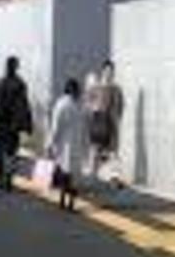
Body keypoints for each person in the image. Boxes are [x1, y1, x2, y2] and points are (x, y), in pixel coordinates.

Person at [0, 56, 33, 192]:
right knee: (12, 152)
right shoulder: (20, 84)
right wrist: (28, 124)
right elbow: (24, 105)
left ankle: (0, 168)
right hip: (12, 124)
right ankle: (8, 177)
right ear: (16, 67)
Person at [47, 78, 83, 211]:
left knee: (63, 171)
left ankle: (62, 199)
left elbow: (55, 126)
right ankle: (71, 202)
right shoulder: (78, 106)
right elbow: (82, 127)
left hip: (63, 144)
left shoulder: (61, 104)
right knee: (73, 174)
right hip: (76, 144)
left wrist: (50, 143)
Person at [87, 60, 124, 182]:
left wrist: (116, 119)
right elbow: (88, 103)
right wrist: (94, 108)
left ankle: (113, 177)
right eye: (107, 71)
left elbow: (120, 107)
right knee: (95, 151)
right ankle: (93, 177)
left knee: (112, 152)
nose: (109, 74)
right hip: (98, 122)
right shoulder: (95, 87)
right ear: (102, 71)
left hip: (111, 124)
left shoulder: (117, 89)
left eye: (111, 72)